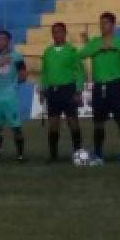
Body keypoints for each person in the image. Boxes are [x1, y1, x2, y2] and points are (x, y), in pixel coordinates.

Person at [78, 12, 120, 166]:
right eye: (101, 23)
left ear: (113, 25)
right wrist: (96, 48)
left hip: (115, 86)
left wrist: (119, 76)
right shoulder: (95, 43)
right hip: (98, 87)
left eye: (106, 23)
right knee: (98, 123)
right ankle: (98, 155)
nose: (103, 26)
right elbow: (81, 54)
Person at [39, 22, 86, 162]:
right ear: (52, 34)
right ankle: (53, 155)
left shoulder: (72, 50)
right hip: (52, 92)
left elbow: (80, 72)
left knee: (73, 122)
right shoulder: (47, 52)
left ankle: (77, 153)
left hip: (68, 90)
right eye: (54, 32)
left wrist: (78, 91)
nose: (57, 34)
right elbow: (44, 73)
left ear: (65, 33)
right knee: (53, 124)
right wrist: (43, 89)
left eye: (60, 31)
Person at [0, 30, 27, 163]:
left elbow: (23, 76)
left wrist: (14, 83)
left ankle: (20, 155)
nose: (0, 41)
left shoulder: (16, 57)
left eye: (3, 39)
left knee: (16, 126)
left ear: (9, 41)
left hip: (10, 96)